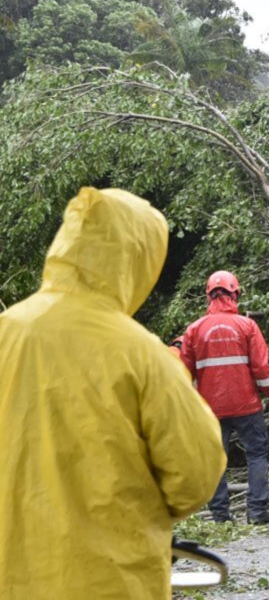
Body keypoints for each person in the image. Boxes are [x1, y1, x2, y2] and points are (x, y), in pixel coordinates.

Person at [0, 187, 225, 599]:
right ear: (138, 258)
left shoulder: (6, 333)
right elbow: (195, 472)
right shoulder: (142, 354)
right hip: (109, 580)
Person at [181, 269, 269, 524]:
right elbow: (261, 366)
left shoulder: (194, 330)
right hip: (246, 404)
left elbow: (184, 372)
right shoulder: (247, 326)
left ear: (208, 297)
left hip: (210, 407)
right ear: (235, 293)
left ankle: (220, 516)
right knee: (256, 455)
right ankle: (257, 512)